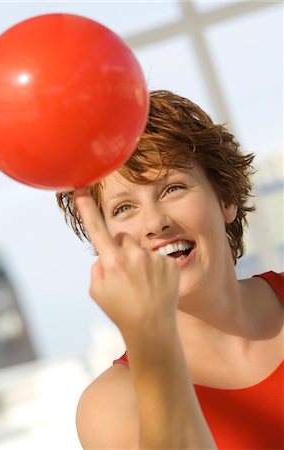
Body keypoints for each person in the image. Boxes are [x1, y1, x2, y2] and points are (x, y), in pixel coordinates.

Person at [56, 90, 284, 449]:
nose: (154, 222)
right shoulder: (111, 406)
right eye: (124, 208)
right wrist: (150, 335)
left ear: (226, 199)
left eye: (172, 188)